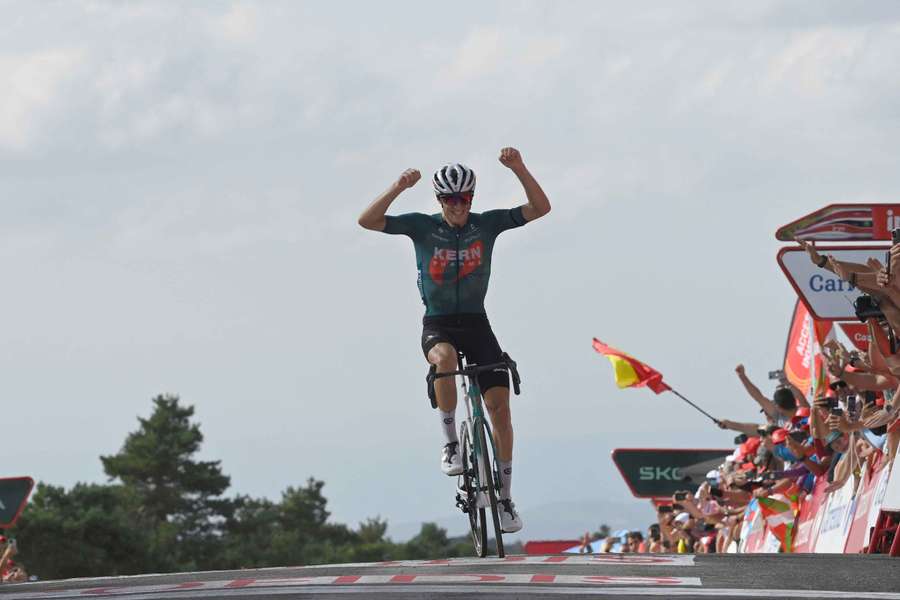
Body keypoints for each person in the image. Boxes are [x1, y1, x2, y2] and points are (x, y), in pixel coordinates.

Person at [358, 147, 551, 533]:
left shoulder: (488, 225)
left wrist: (519, 168)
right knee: (443, 361)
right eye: (449, 199)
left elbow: (540, 208)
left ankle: (506, 498)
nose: (457, 205)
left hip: (477, 323)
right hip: (439, 323)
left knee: (501, 410)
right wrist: (398, 186)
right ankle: (450, 443)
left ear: (472, 199)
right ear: (439, 200)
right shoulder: (421, 227)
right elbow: (367, 220)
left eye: (463, 198)